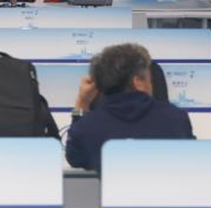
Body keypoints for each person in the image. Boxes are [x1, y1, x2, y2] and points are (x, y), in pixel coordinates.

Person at [65, 43, 195, 172]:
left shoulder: (87, 127)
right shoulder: (176, 119)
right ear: (138, 81)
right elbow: (192, 161)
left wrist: (82, 103)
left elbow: (75, 158)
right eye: (150, 79)